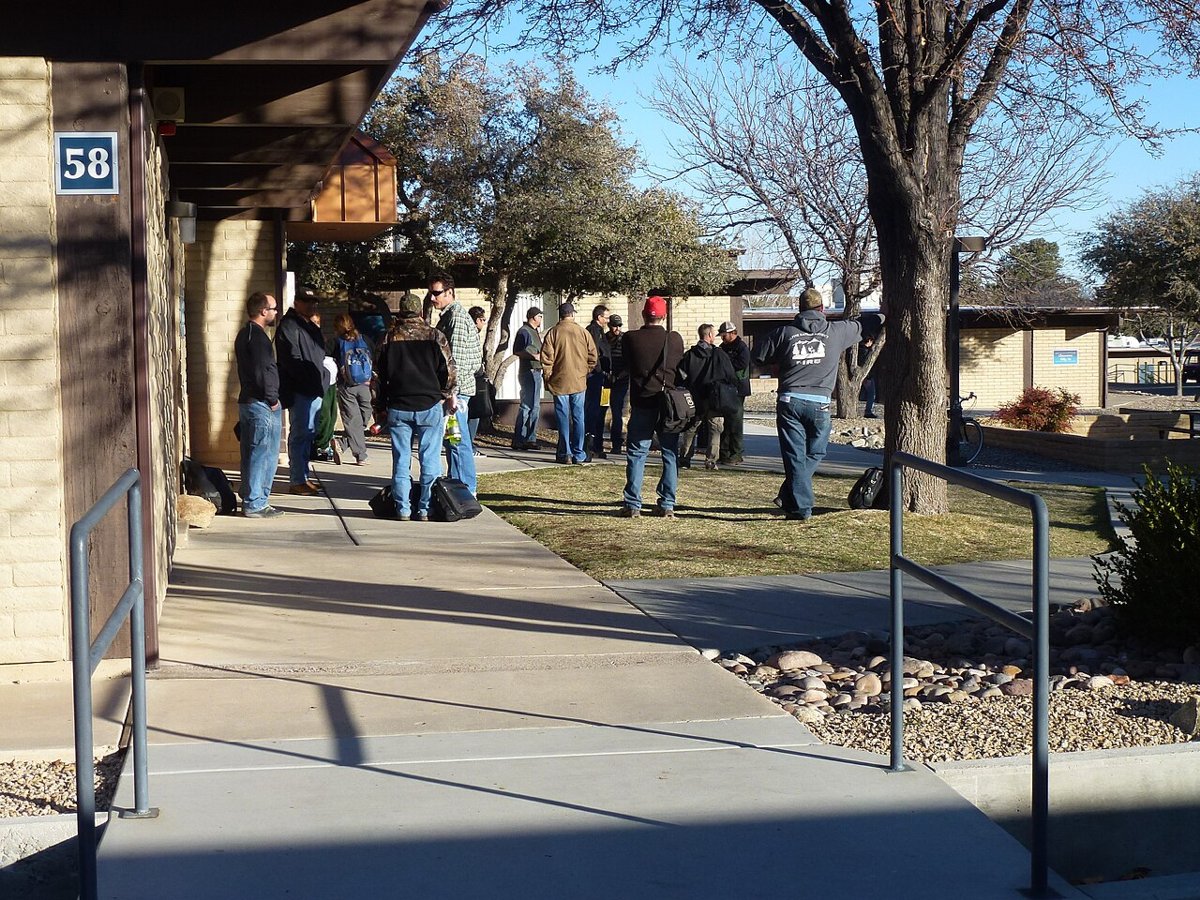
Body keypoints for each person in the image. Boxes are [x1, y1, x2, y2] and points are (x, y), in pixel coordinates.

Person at [753, 288, 885, 520]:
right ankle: (801, 507)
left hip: (789, 400)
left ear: (800, 309)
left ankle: (791, 496)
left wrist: (781, 360)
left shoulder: (784, 333)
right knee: (816, 451)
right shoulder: (837, 331)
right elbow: (866, 323)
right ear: (822, 309)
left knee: (795, 456)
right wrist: (885, 315)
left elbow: (759, 355)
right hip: (820, 403)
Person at [373, 293, 457, 522]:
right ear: (421, 312)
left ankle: (402, 508)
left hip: (398, 406)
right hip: (429, 405)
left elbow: (377, 378)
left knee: (401, 459)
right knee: (430, 458)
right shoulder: (435, 336)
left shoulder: (387, 338)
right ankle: (425, 508)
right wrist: (445, 394)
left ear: (399, 313)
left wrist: (379, 407)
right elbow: (449, 372)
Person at [619, 295, 685, 518]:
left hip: (642, 401)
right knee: (669, 453)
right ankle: (667, 504)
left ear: (643, 314)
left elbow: (626, 364)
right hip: (668, 405)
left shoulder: (630, 338)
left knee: (637, 453)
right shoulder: (674, 339)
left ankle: (633, 504)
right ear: (664, 316)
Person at [274, 286, 332, 496]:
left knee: (309, 434)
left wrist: (322, 378)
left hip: (314, 387)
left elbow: (319, 356)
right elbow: (292, 359)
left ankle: (303, 476)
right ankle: (297, 479)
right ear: (296, 302)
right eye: (306, 301)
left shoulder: (310, 326)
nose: (311, 305)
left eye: (314, 302)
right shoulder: (290, 325)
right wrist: (309, 380)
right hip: (301, 389)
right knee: (300, 434)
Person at [428, 274, 481, 494]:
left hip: (456, 394)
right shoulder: (448, 316)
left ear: (450, 292)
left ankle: (466, 490)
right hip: (454, 392)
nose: (432, 297)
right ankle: (457, 484)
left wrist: (452, 395)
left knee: (457, 442)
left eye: (437, 293)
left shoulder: (456, 318)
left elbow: (456, 361)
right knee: (452, 441)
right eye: (431, 292)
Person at [234, 292, 284, 518]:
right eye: (273, 308)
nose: (275, 312)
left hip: (249, 402)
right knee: (264, 454)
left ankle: (251, 496)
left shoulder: (245, 334)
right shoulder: (258, 338)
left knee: (251, 452)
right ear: (263, 311)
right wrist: (272, 399)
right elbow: (265, 370)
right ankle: (256, 502)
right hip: (262, 404)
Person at [540, 302, 597, 465]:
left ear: (561, 314)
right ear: (572, 314)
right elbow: (593, 356)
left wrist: (548, 377)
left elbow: (546, 359)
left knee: (563, 419)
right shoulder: (583, 332)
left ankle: (565, 452)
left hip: (559, 381)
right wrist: (584, 371)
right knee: (579, 417)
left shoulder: (553, 333)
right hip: (579, 381)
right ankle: (579, 453)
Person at [677, 323, 738, 470]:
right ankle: (711, 460)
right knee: (715, 428)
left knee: (691, 429)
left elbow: (680, 376)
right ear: (710, 335)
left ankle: (684, 459)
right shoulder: (719, 354)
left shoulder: (689, 355)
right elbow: (730, 375)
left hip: (694, 397)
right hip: (715, 398)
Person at [332, 313, 373, 465]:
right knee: (364, 417)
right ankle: (360, 454)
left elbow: (328, 359)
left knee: (353, 421)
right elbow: (374, 356)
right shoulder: (365, 339)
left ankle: (342, 443)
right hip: (365, 384)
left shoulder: (337, 342)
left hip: (346, 386)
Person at [717, 321, 751, 465]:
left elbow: (742, 364)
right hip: (725, 388)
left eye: (724, 335)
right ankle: (724, 453)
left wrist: (726, 365)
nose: (722, 338)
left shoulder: (742, 348)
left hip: (738, 389)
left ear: (733, 333)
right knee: (727, 422)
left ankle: (736, 453)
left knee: (735, 422)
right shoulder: (721, 348)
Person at [511, 306, 544, 450]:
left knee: (535, 406)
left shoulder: (535, 332)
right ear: (534, 317)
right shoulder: (524, 332)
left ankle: (530, 439)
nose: (541, 319)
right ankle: (519, 439)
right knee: (526, 406)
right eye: (540, 316)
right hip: (528, 371)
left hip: (537, 371)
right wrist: (533, 356)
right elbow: (517, 351)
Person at [584, 304, 611, 459]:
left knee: (602, 410)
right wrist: (600, 370)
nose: (607, 321)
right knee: (593, 411)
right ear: (599, 317)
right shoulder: (593, 331)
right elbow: (592, 353)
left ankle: (598, 445)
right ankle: (590, 446)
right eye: (606, 317)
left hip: (605, 380)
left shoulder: (602, 332)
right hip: (596, 378)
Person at [466, 305, 491, 454]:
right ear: (476, 320)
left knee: (472, 415)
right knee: (473, 415)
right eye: (483, 320)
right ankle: (468, 445)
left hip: (474, 377)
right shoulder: (472, 334)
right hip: (472, 378)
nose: (484, 323)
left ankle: (468, 444)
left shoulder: (472, 333)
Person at [606, 314, 629, 454]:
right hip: (606, 380)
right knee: (602, 408)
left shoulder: (625, 339)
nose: (617, 328)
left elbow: (630, 362)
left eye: (619, 326)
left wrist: (620, 376)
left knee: (617, 411)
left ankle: (616, 444)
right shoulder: (604, 339)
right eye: (615, 325)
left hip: (621, 380)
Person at [859, 336, 879, 418]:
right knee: (871, 394)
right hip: (867, 376)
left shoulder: (859, 350)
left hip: (865, 376)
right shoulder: (866, 352)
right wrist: (867, 377)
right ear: (869, 341)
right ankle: (868, 411)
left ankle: (868, 410)